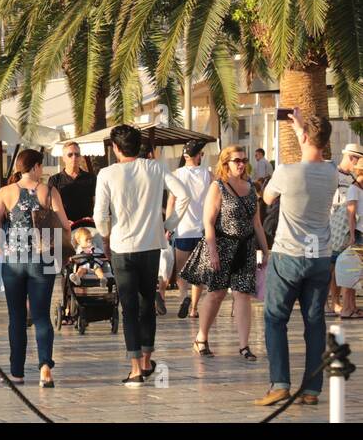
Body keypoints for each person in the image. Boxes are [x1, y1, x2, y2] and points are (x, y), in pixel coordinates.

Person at [93, 124, 188, 387]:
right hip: (151, 245)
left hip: (123, 247)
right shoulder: (155, 168)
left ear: (115, 148)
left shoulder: (107, 174)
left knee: (129, 308)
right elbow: (184, 195)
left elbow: (100, 214)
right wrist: (168, 225)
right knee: (147, 303)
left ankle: (135, 368)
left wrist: (105, 233)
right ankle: (146, 361)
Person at [258, 109, 338, 407]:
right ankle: (311, 390)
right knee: (314, 322)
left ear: (303, 137)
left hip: (288, 255)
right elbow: (316, 150)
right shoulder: (331, 173)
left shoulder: (285, 172)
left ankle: (280, 383)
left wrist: (297, 131)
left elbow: (267, 199)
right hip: (320, 257)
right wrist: (302, 129)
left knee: (275, 318)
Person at [0, 148, 72, 387]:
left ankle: (16, 373)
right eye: (41, 166)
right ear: (34, 167)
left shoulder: (5, 192)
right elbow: (64, 224)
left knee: (17, 317)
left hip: (13, 262)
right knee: (42, 315)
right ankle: (45, 368)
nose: (41, 170)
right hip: (42, 260)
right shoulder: (48, 191)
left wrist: (1, 247)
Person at [178, 145, 268, 360]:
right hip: (222, 245)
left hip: (245, 247)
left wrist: (264, 250)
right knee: (216, 294)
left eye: (244, 160)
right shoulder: (218, 186)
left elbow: (256, 223)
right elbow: (208, 222)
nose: (241, 164)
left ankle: (244, 346)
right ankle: (201, 338)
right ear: (225, 162)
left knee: (243, 295)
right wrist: (213, 251)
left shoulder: (250, 187)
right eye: (237, 160)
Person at [169, 140, 212, 320]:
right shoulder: (208, 175)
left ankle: (184, 296)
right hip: (202, 229)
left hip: (182, 229)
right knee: (198, 273)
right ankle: (194, 308)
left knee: (181, 270)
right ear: (197, 155)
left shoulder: (176, 174)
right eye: (201, 154)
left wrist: (168, 226)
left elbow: (171, 201)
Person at [329, 144, 363, 317]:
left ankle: (348, 304)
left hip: (349, 228)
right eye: (358, 159)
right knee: (334, 265)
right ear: (352, 157)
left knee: (346, 265)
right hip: (334, 226)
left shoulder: (351, 177)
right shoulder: (333, 174)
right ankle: (335, 303)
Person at [48, 142, 95, 223]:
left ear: (80, 157)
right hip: (64, 227)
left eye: (77, 154)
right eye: (70, 155)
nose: (74, 157)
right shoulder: (55, 180)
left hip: (86, 228)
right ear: (63, 158)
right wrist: (62, 221)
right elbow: (50, 207)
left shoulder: (91, 178)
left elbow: (98, 203)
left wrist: (94, 218)